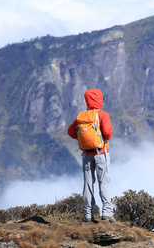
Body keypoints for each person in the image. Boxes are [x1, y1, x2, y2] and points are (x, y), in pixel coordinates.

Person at [67, 88, 116, 223]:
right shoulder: (103, 115)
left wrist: (83, 141)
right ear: (99, 99)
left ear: (87, 100)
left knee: (88, 183)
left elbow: (70, 131)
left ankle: (88, 214)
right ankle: (106, 212)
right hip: (101, 153)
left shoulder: (81, 116)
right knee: (103, 183)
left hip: (86, 154)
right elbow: (107, 133)